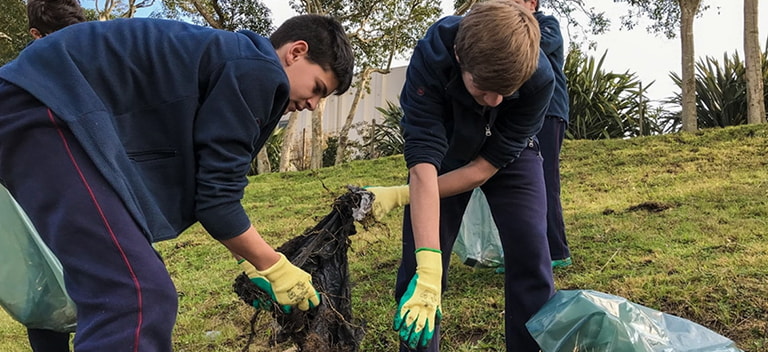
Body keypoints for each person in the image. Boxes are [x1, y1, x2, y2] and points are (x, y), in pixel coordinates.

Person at [0, 14, 354, 351]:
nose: (313, 104)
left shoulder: (225, 57)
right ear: (296, 52)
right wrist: (272, 264)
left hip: (32, 101)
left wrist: (249, 259)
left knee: (69, 286)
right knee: (135, 295)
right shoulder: (257, 67)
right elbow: (217, 200)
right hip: (47, 103)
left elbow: (209, 185)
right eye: (318, 88)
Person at [370, 0, 555, 350]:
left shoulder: (539, 77)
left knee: (531, 249)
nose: (495, 100)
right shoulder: (432, 56)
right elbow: (423, 164)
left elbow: (484, 169)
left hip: (510, 155)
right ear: (459, 56)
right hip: (446, 150)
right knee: (419, 261)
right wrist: (429, 265)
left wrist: (400, 194)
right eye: (482, 87)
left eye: (506, 91)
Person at [22, 1, 87, 350]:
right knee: (48, 301)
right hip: (38, 205)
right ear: (35, 36)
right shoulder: (19, 81)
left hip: (88, 201)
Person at [514, 0, 572, 269]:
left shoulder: (547, 26)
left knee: (546, 180)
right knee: (521, 185)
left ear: (532, 3)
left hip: (548, 112)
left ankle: (557, 251)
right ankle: (525, 252)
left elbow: (529, 52)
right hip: (520, 114)